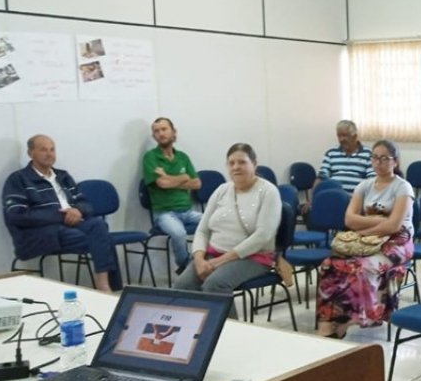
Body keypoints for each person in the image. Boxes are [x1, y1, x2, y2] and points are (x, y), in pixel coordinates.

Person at [316, 140, 415, 338]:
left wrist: (367, 228)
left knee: (362, 266)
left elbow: (394, 225)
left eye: (384, 158)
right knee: (329, 264)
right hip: (367, 240)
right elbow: (349, 219)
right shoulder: (365, 185)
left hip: (397, 242)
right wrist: (376, 222)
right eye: (374, 157)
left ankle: (356, 318)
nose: (378, 162)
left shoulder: (403, 187)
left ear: (395, 161)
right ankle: (328, 321)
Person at [2, 134, 121, 292]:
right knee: (103, 239)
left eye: (52, 149)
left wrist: (78, 210)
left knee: (99, 225)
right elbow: (16, 214)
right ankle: (109, 288)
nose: (49, 153)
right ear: (30, 153)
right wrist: (61, 216)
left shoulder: (63, 176)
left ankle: (104, 284)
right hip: (42, 233)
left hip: (73, 225)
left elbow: (86, 204)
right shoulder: (19, 179)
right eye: (43, 150)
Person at [175, 143, 281, 295]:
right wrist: (198, 260)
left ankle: (224, 320)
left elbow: (263, 236)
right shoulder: (222, 190)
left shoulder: (268, 192)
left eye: (242, 162)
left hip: (252, 257)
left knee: (215, 285)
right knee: (182, 285)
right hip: (213, 255)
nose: (236, 167)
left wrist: (220, 261)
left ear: (254, 164)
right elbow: (203, 230)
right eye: (231, 163)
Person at [142, 117, 202, 275]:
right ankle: (186, 267)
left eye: (164, 129)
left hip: (187, 211)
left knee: (214, 221)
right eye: (156, 131)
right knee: (179, 233)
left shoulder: (183, 157)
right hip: (164, 213)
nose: (161, 133)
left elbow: (196, 183)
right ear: (154, 136)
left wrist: (169, 178)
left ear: (173, 132)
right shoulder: (150, 157)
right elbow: (162, 184)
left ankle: (207, 260)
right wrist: (183, 178)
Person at [304, 120, 374, 213]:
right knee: (311, 209)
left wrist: (359, 199)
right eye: (339, 136)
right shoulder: (331, 152)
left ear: (355, 136)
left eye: (345, 135)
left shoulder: (368, 154)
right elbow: (321, 177)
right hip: (332, 198)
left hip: (356, 200)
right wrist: (312, 199)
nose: (341, 139)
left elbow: (372, 181)